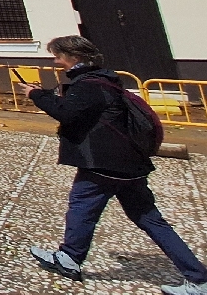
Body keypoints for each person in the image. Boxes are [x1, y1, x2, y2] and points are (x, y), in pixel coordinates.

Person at [21, 35, 207, 293]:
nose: (55, 60)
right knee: (150, 219)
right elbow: (79, 108)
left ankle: (70, 258)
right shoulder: (105, 79)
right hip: (130, 163)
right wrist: (48, 94)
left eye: (58, 55)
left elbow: (66, 113)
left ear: (73, 57)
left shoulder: (87, 85)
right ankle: (198, 277)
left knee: (82, 208)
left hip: (104, 163)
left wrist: (36, 95)